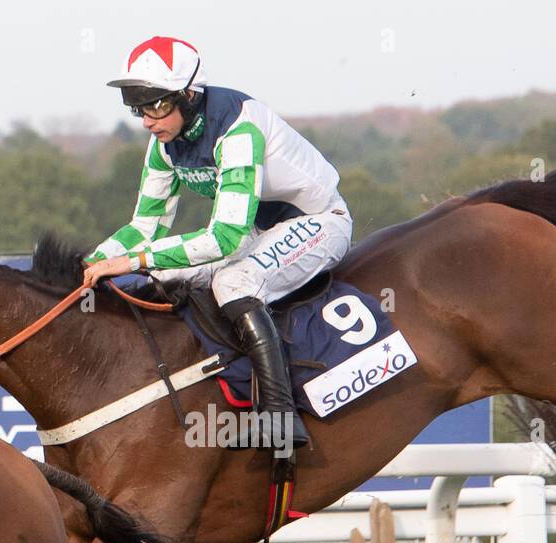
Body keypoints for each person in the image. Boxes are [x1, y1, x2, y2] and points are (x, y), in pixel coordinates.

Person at [82, 36, 354, 450]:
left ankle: (280, 417)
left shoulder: (239, 130)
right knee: (162, 271)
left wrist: (133, 260)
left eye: (156, 105)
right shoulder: (163, 146)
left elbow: (224, 238)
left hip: (319, 222)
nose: (147, 121)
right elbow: (144, 227)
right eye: (138, 107)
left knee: (233, 283)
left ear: (189, 95)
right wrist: (95, 261)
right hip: (258, 232)